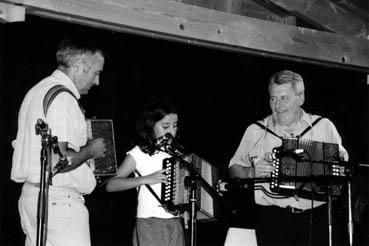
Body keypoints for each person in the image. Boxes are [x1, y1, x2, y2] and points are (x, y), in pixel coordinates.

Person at [228, 70, 349, 246]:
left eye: (284, 98)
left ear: (300, 98)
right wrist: (251, 171)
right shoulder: (256, 131)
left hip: (317, 220)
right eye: (272, 98)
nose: (277, 105)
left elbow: (343, 168)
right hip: (273, 220)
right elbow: (233, 169)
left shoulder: (323, 126)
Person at [11, 36, 107, 246]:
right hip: (60, 204)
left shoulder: (38, 91)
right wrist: (91, 150)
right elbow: (58, 161)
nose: (97, 81)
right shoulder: (63, 98)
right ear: (80, 66)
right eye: (96, 73)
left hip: (34, 198)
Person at [106, 99, 186, 246]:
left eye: (175, 126)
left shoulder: (177, 153)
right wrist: (146, 179)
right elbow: (111, 184)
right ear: (151, 126)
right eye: (165, 126)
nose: (171, 132)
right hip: (150, 221)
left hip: (175, 221)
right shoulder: (139, 153)